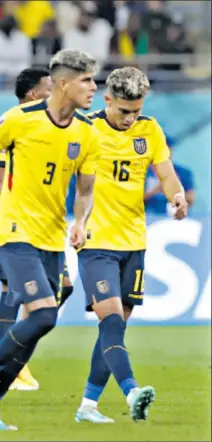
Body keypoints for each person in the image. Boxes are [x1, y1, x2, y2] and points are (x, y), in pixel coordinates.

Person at [0, 49, 100, 430]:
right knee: (45, 312)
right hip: (13, 229)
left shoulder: (86, 132)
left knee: (41, 321)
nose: (93, 87)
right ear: (63, 83)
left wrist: (80, 221)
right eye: (86, 80)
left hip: (52, 237)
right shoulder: (19, 119)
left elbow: (85, 190)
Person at [74, 67, 188, 423]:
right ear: (107, 100)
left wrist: (178, 196)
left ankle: (88, 406)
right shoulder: (86, 128)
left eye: (136, 111)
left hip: (134, 241)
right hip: (96, 241)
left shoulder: (149, 129)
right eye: (124, 111)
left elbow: (165, 173)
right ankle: (133, 391)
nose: (130, 118)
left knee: (114, 328)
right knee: (110, 319)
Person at [0, 67, 75, 393]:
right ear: (32, 95)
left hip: (48, 226)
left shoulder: (56, 124)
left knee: (63, 288)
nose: (53, 91)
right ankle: (12, 367)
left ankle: (14, 354)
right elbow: (1, 181)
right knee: (11, 292)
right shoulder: (15, 122)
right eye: (47, 87)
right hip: (17, 225)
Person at [144, 136, 195, 215]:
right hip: (149, 218)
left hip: (176, 218)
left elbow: (191, 199)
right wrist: (156, 190)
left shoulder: (183, 172)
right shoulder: (143, 172)